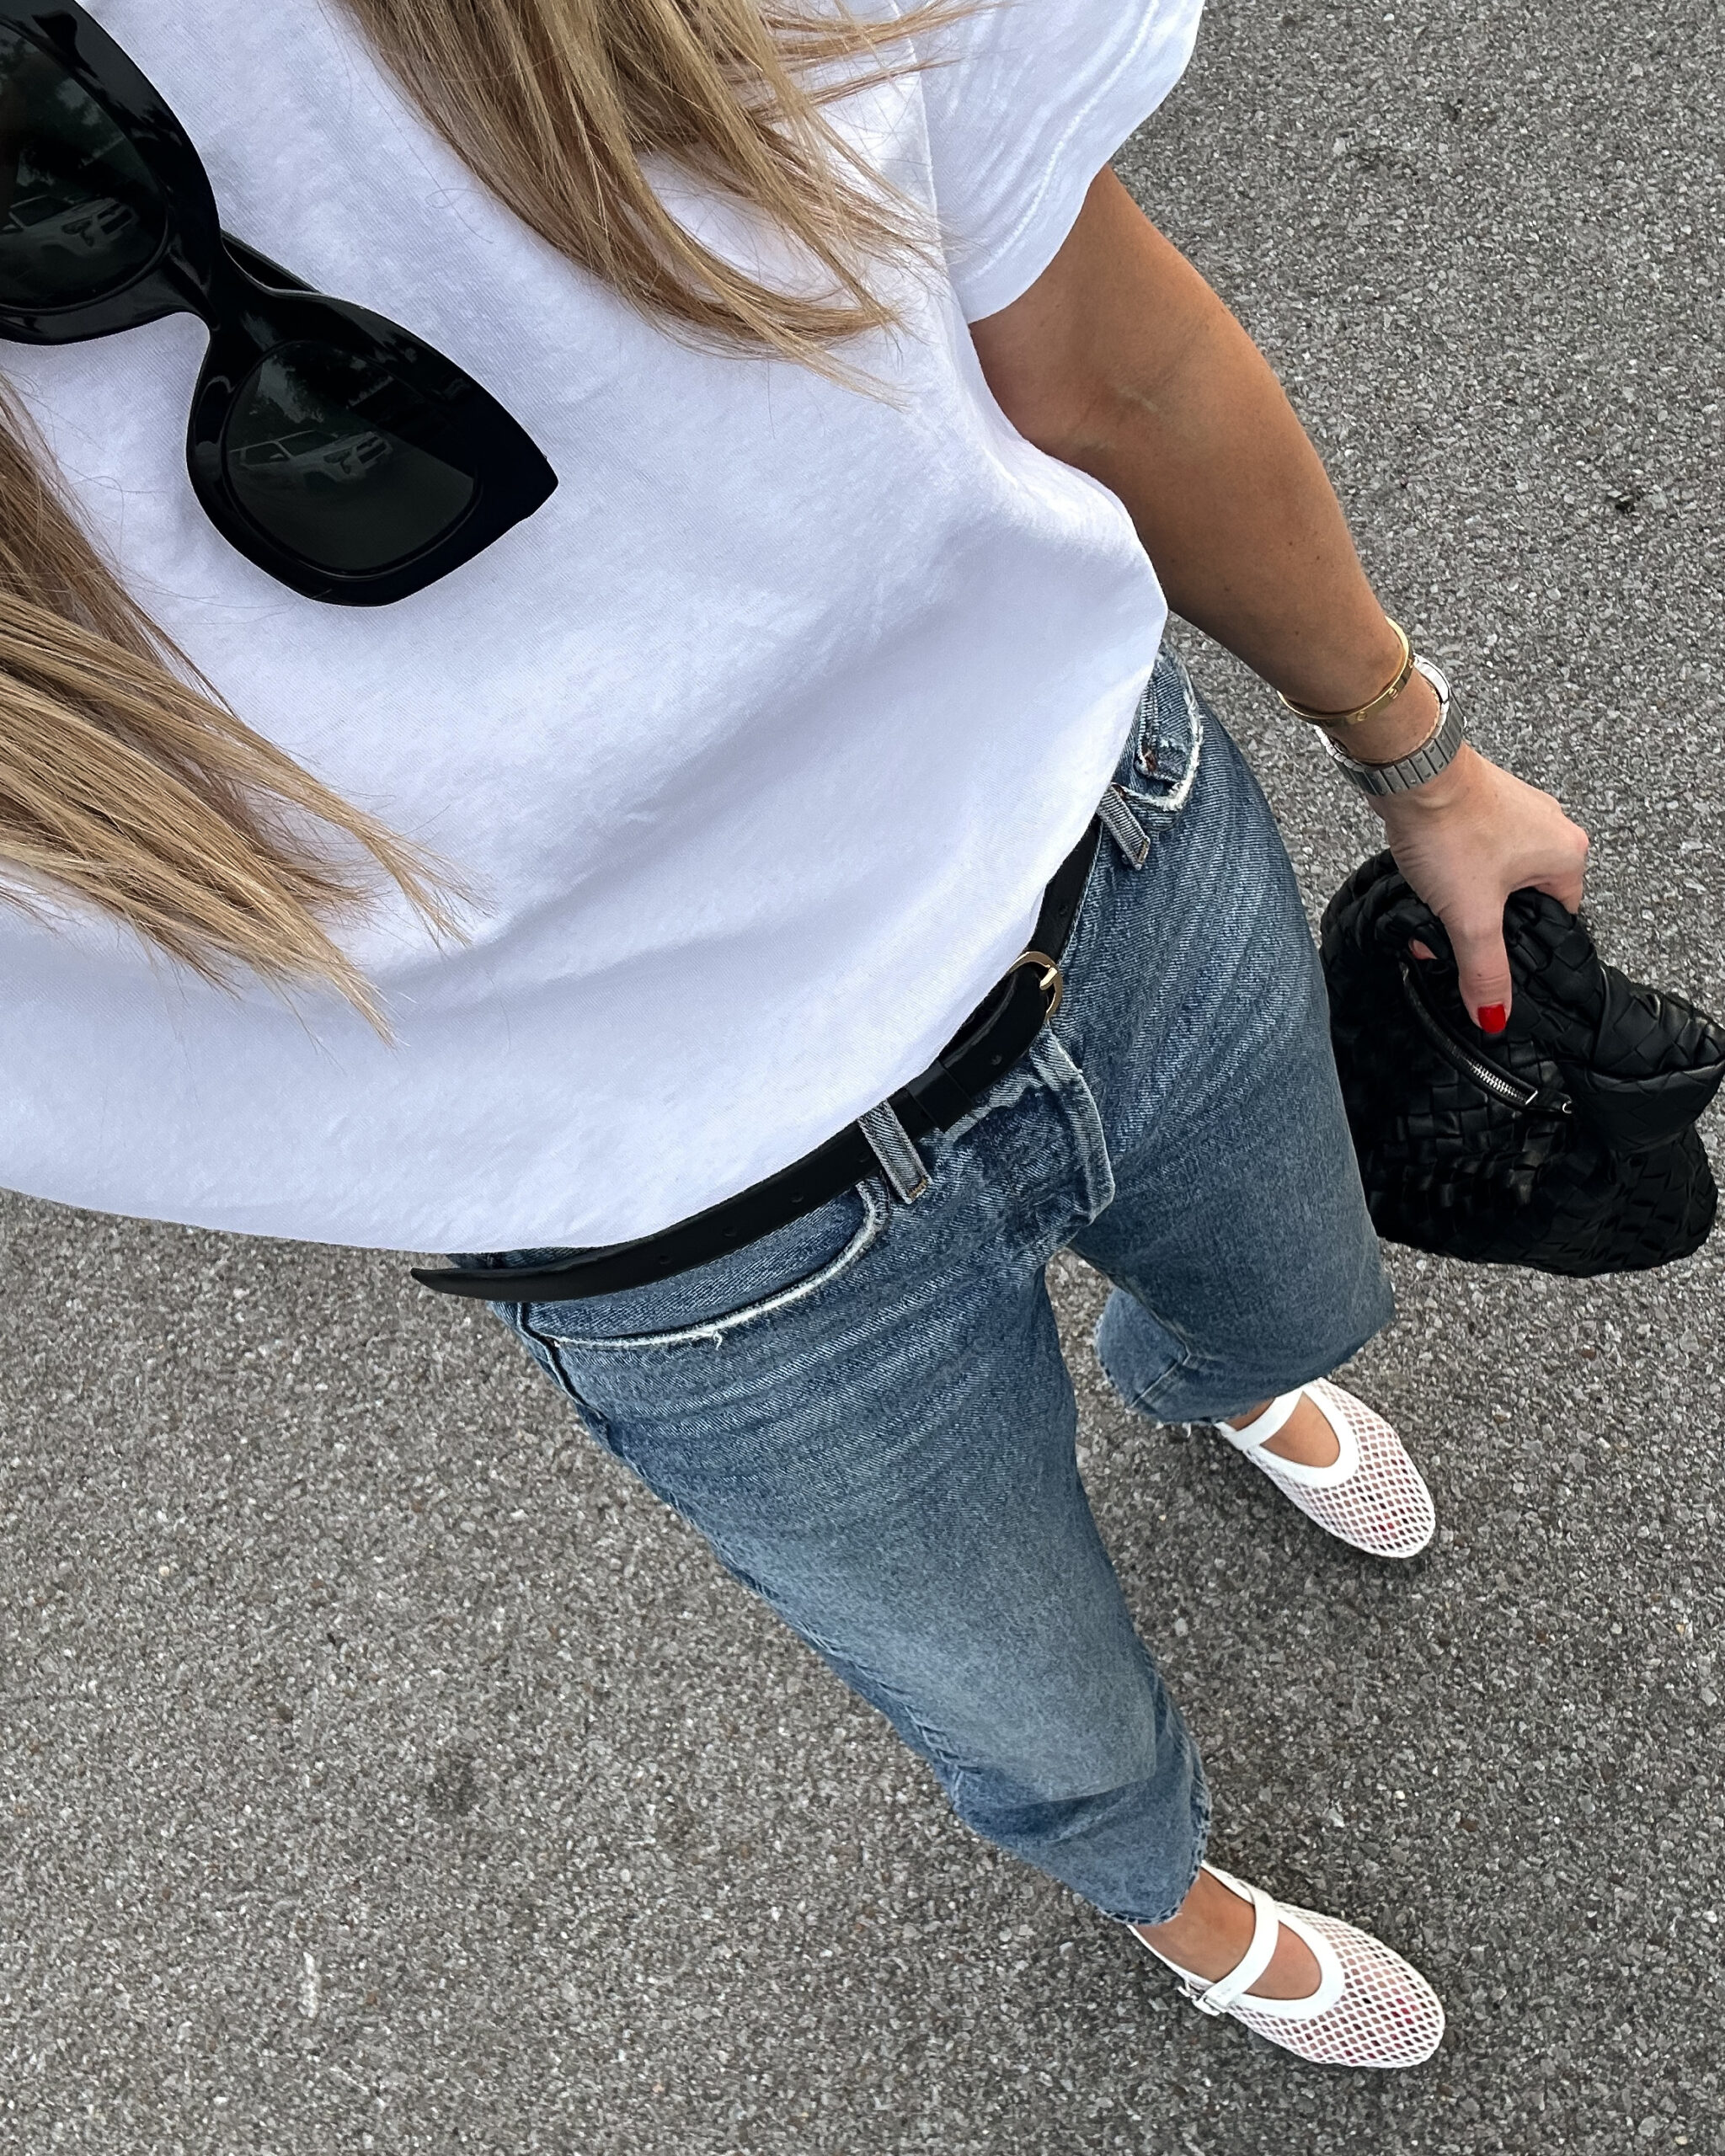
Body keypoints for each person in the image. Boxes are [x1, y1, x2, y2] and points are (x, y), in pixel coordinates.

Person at [0, 0, 1587, 2072]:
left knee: (1290, 1292)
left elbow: (1102, 345)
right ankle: (1168, 1895)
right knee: (1036, 1708)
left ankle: (1212, 1377)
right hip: (696, 1251)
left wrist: (1421, 756)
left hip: (1107, 867)